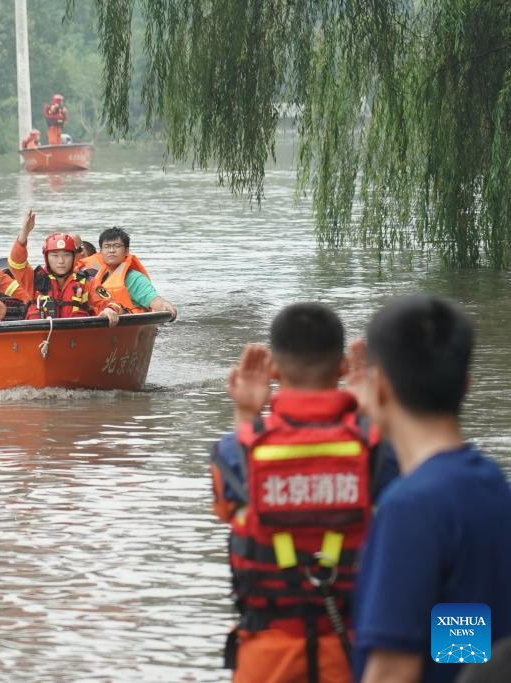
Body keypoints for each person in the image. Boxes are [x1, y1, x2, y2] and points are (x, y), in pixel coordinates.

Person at [209, 302, 399, 683]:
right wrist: (372, 418)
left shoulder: (235, 451)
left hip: (264, 660)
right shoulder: (378, 450)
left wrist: (247, 413)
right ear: (343, 367)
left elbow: (232, 504)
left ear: (275, 370)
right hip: (352, 655)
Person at [346, 294, 511, 683]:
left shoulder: (410, 509)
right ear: (466, 385)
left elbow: (392, 672)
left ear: (380, 386)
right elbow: (463, 638)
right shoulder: (487, 485)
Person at [8, 211, 119, 326]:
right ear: (46, 257)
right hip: (40, 339)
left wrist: (110, 310)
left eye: (66, 255)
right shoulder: (34, 280)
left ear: (74, 257)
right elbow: (16, 262)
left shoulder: (86, 282)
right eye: (55, 255)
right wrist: (24, 234)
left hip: (75, 338)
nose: (61, 261)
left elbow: (111, 302)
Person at [91, 226, 178, 318]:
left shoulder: (135, 279)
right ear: (101, 252)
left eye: (117, 246)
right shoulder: (95, 279)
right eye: (107, 246)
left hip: (129, 325)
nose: (111, 250)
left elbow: (154, 300)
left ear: (127, 251)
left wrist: (166, 306)